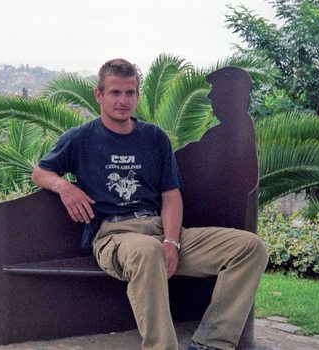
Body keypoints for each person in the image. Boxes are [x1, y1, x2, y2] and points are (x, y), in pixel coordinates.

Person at [32, 58, 268, 350]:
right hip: (115, 236)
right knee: (148, 251)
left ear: (137, 95)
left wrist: (172, 241)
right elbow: (40, 171)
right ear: (99, 95)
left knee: (249, 247)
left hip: (161, 230)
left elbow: (171, 196)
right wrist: (64, 186)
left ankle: (211, 342)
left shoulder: (154, 138)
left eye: (130, 93)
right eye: (115, 93)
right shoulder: (81, 138)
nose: (123, 100)